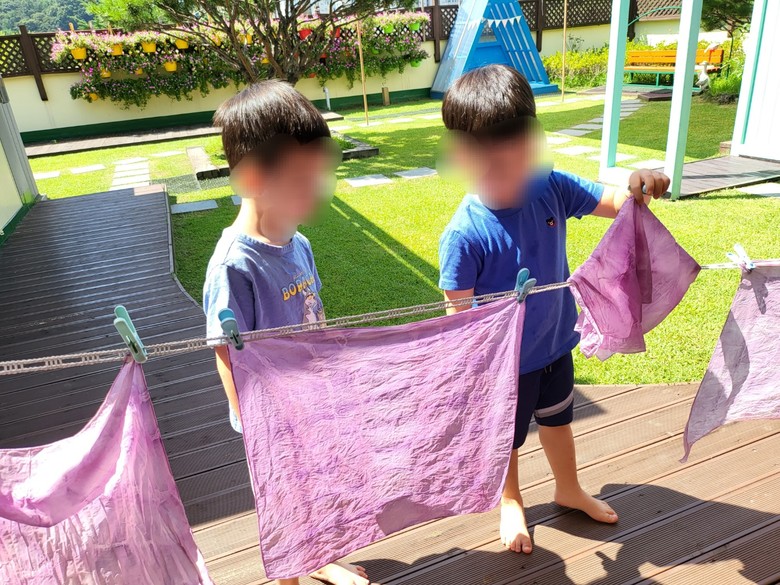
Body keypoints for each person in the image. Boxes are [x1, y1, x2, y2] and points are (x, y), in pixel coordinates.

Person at [437, 65, 670, 555]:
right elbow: (458, 318)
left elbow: (616, 201)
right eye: (490, 167)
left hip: (555, 345)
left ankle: (568, 488)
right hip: (505, 368)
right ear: (463, 157)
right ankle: (511, 500)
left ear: (532, 143)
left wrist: (638, 185)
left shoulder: (551, 187)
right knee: (508, 440)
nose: (507, 178)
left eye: (517, 160)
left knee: (559, 421)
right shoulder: (464, 234)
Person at [202, 80, 372, 585]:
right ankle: (289, 576)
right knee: (286, 496)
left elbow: (313, 316)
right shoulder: (235, 265)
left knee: (319, 486)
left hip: (311, 397)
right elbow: (225, 353)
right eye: (302, 178)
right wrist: (256, 424)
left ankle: (319, 557)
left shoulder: (299, 243)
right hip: (272, 418)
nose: (316, 190)